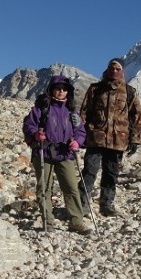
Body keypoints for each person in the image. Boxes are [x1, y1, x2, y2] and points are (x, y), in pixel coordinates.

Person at [22, 75, 92, 235]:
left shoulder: (72, 111)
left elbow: (80, 131)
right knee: (44, 189)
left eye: (64, 89)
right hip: (43, 152)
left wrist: (78, 142)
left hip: (65, 153)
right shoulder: (40, 108)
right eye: (58, 88)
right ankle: (48, 222)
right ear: (51, 90)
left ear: (68, 92)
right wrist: (35, 135)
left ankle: (76, 222)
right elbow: (29, 125)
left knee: (71, 188)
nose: (61, 91)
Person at [78, 58, 141, 217]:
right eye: (111, 68)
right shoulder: (95, 89)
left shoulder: (130, 92)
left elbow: (137, 117)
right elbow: (84, 113)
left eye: (118, 69)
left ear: (123, 71)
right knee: (89, 171)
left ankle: (106, 205)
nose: (114, 71)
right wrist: (79, 134)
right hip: (95, 138)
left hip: (118, 141)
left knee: (111, 174)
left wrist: (135, 139)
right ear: (107, 70)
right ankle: (81, 205)